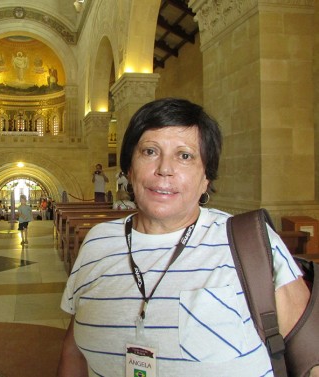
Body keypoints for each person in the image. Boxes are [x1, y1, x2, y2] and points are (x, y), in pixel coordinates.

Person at [58, 98, 316, 377]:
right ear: (129, 170)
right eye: (150, 151)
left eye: (185, 155)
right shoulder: (97, 242)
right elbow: (74, 352)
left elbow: (312, 360)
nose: (164, 169)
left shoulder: (251, 244)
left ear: (206, 177)